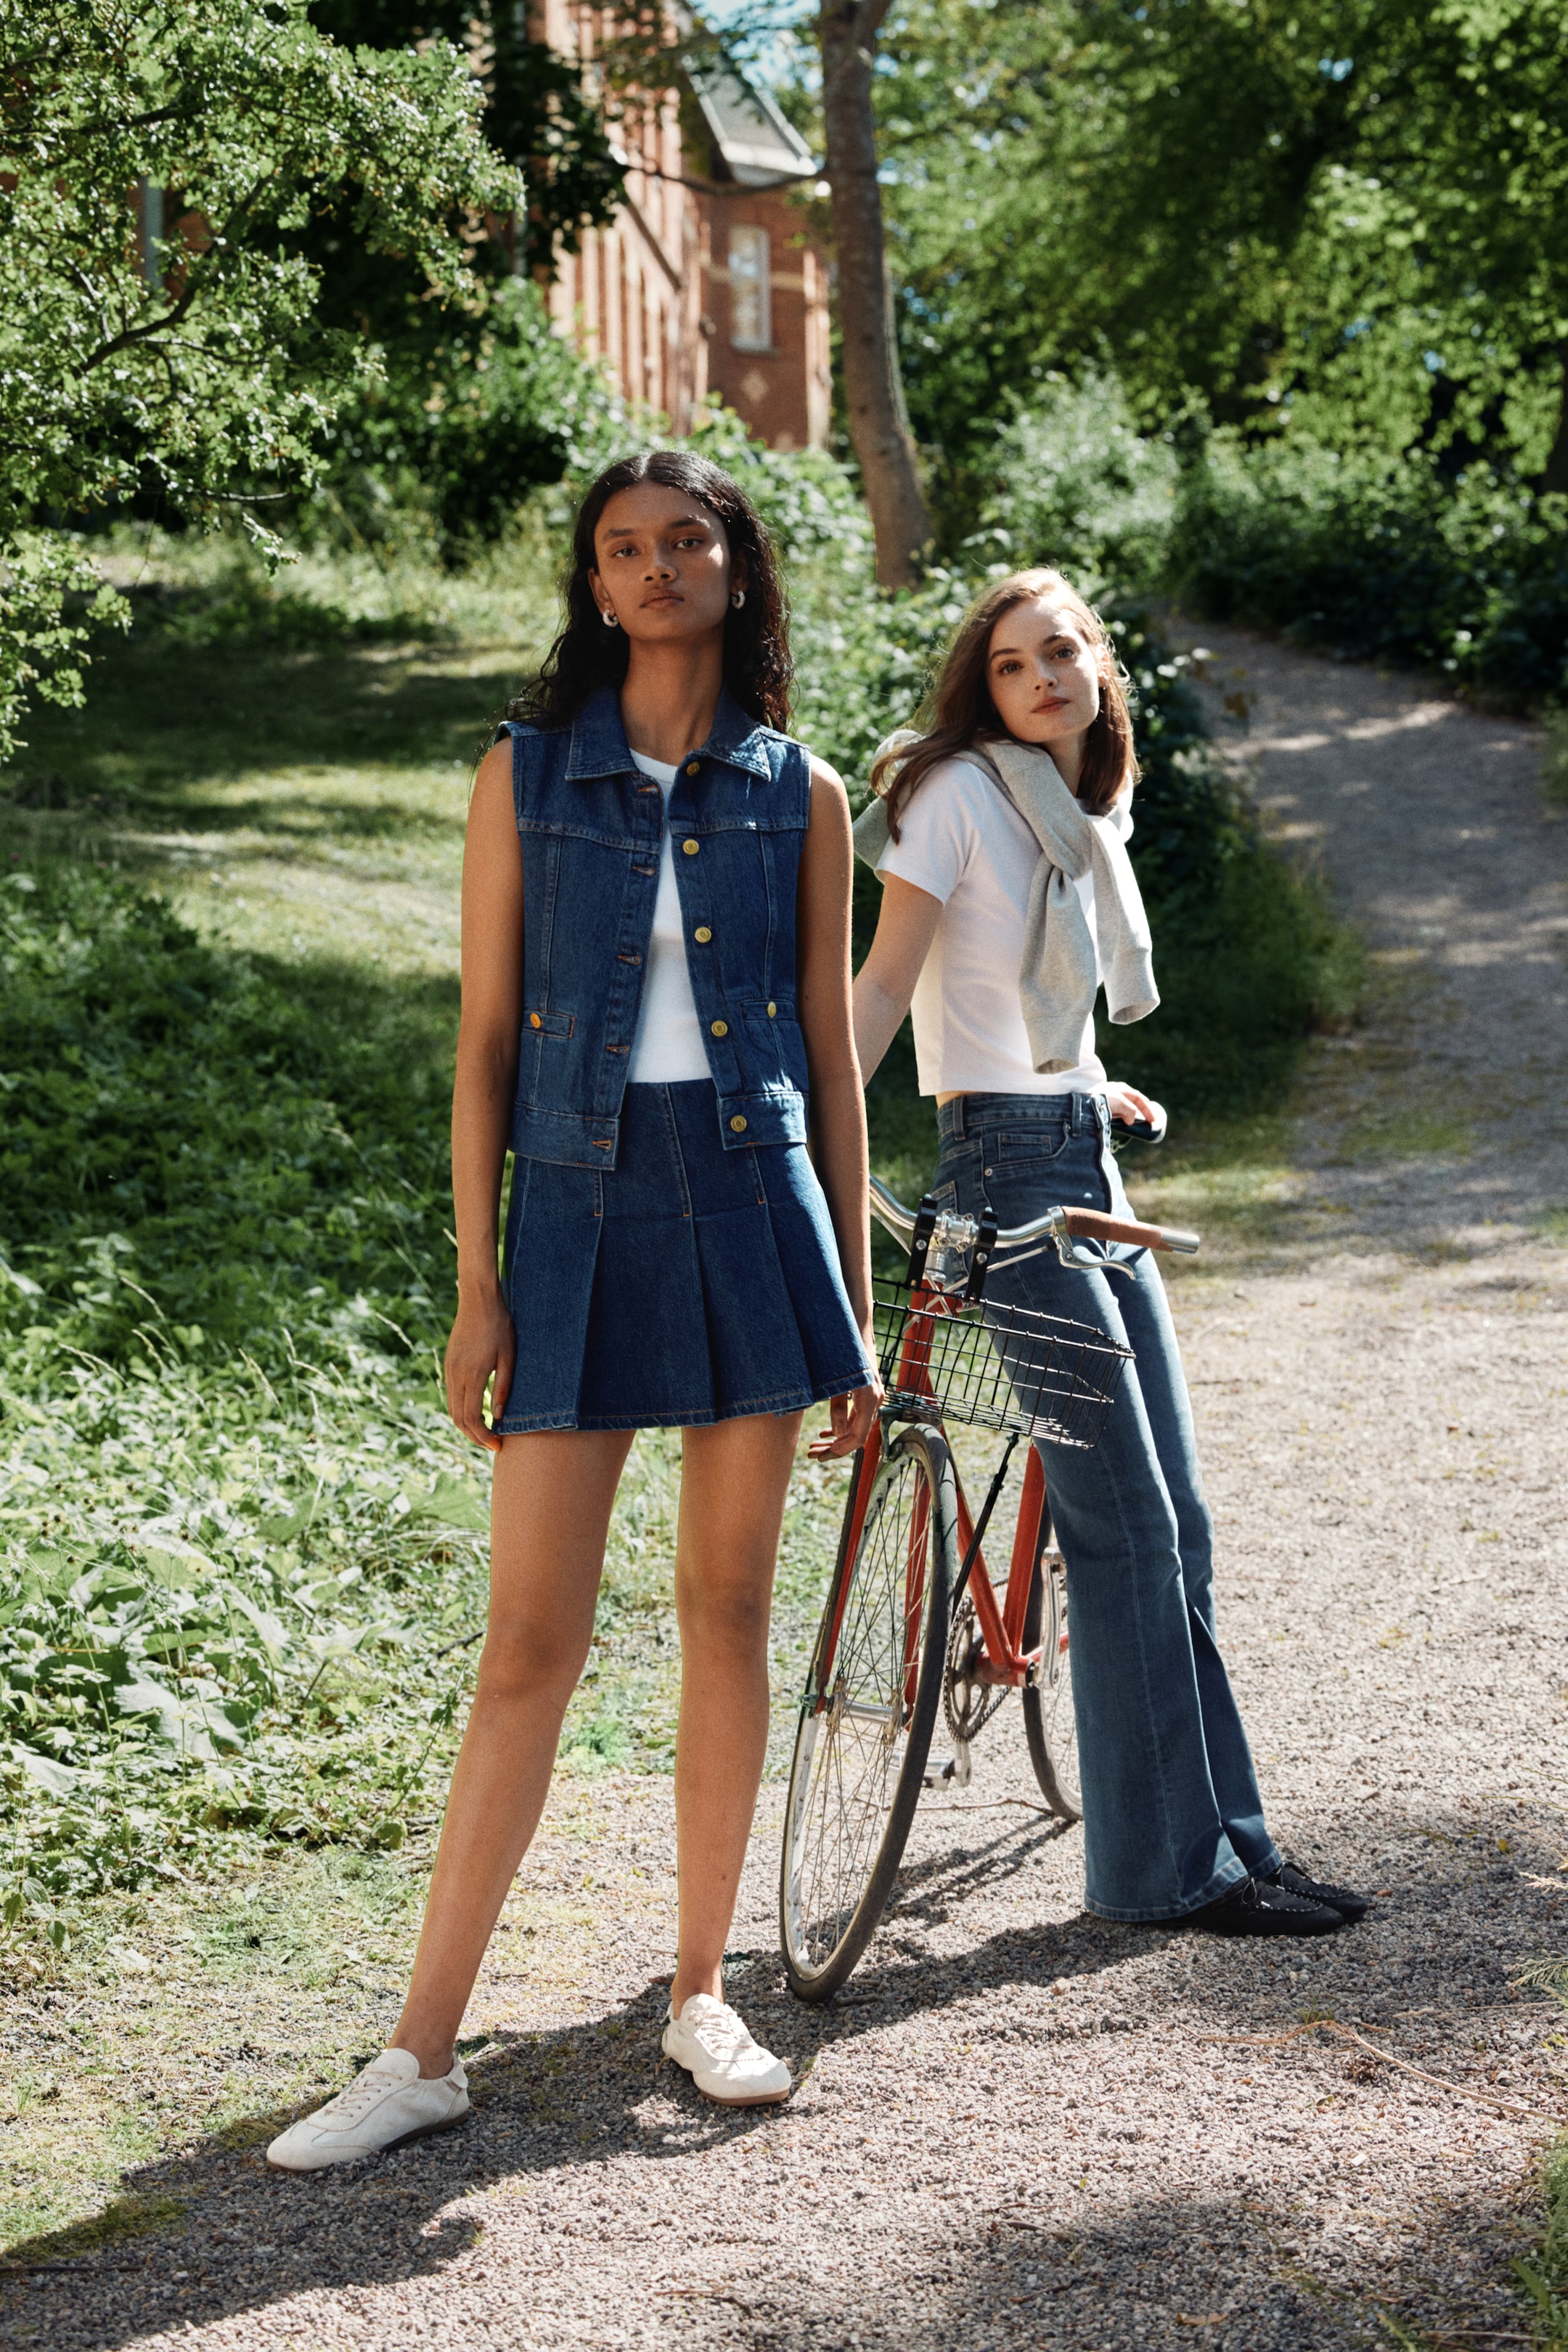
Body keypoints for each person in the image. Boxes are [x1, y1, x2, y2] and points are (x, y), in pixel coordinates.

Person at [267, 452, 881, 2169]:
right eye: (623, 548)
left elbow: (836, 1064)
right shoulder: (523, 775)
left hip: (754, 1204)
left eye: (685, 539)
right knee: (529, 1643)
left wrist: (851, 1298)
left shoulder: (804, 792)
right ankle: (420, 2050)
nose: (656, 565)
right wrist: (478, 1284)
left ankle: (700, 1992)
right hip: (575, 1216)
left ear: (735, 567)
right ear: (596, 588)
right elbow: (481, 1047)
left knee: (726, 1612)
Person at [851, 567, 1367, 1937]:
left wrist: (1089, 1082)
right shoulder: (957, 795)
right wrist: (816, 1149)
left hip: (1079, 1155)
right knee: (1125, 1529)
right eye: (1011, 664)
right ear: (985, 688)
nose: (1041, 680)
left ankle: (1233, 1842)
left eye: (1061, 653)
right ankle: (1161, 1876)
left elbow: (1024, 1004)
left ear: (1099, 668)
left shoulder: (1084, 814)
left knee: (1177, 1524)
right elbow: (890, 986)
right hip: (1007, 1176)